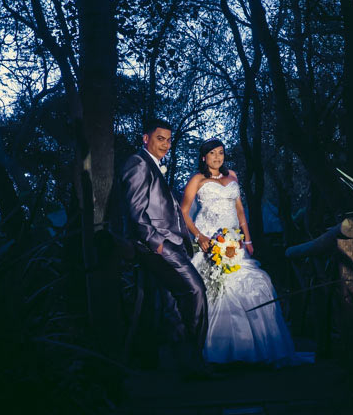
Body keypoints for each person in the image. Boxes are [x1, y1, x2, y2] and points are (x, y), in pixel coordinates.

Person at [180, 137, 299, 365]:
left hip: (234, 243)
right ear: (204, 157)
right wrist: (199, 236)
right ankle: (218, 350)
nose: (218, 157)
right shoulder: (197, 179)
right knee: (218, 290)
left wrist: (248, 238)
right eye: (213, 153)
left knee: (258, 283)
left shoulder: (232, 175)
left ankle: (255, 349)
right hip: (210, 243)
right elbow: (184, 212)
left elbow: (240, 211)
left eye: (221, 152)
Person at [120, 118, 210, 377]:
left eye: (169, 140)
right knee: (195, 290)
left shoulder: (152, 165)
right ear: (145, 138)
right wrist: (158, 244)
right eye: (160, 139)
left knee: (171, 306)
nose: (166, 144)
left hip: (171, 243)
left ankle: (185, 365)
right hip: (156, 245)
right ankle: (195, 359)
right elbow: (136, 213)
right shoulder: (138, 163)